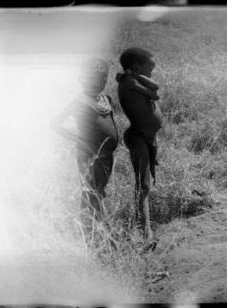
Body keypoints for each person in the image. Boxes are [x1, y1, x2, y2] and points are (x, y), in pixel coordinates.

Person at [51, 58, 119, 228]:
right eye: (92, 79)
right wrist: (79, 140)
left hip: (106, 156)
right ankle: (104, 235)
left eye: (102, 79)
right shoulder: (79, 102)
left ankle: (93, 232)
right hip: (90, 155)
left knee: (98, 192)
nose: (97, 83)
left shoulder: (106, 100)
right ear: (82, 79)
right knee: (91, 193)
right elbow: (55, 123)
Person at [116, 47, 163, 243]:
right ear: (136, 67)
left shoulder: (133, 79)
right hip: (137, 136)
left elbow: (155, 87)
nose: (151, 73)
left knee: (146, 184)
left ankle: (145, 228)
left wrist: (137, 75)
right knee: (143, 186)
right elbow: (154, 94)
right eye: (149, 68)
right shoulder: (129, 82)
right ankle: (145, 233)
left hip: (146, 136)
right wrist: (134, 76)